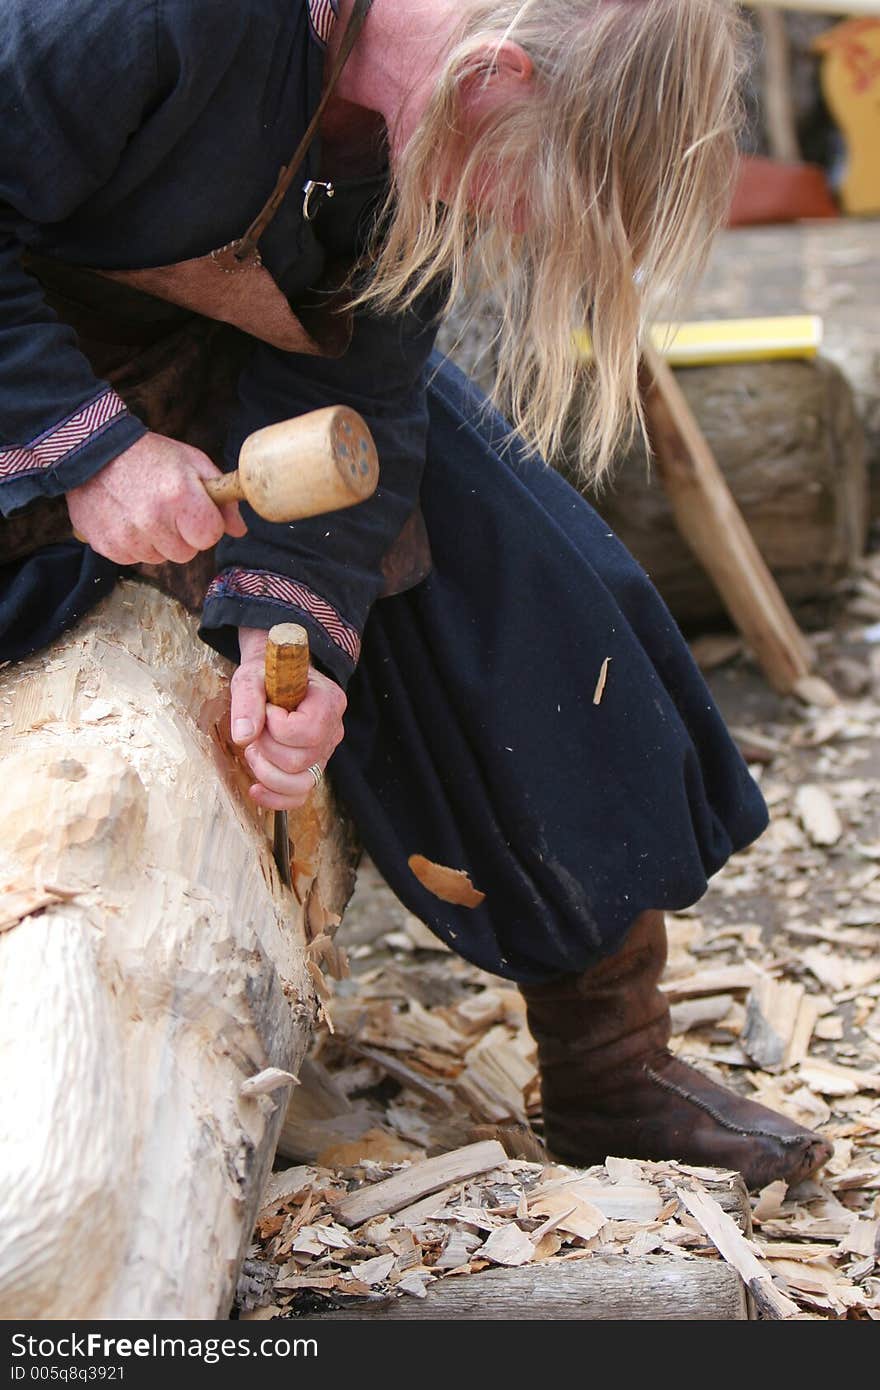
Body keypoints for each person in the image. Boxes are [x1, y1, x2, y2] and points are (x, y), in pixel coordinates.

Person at [0, 0, 831, 1189]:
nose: (491, 219)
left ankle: (611, 1055)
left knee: (519, 567)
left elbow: (358, 393)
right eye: (513, 189)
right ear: (488, 74)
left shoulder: (411, 120)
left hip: (190, 381)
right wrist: (87, 450)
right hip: (21, 380)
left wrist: (293, 626)